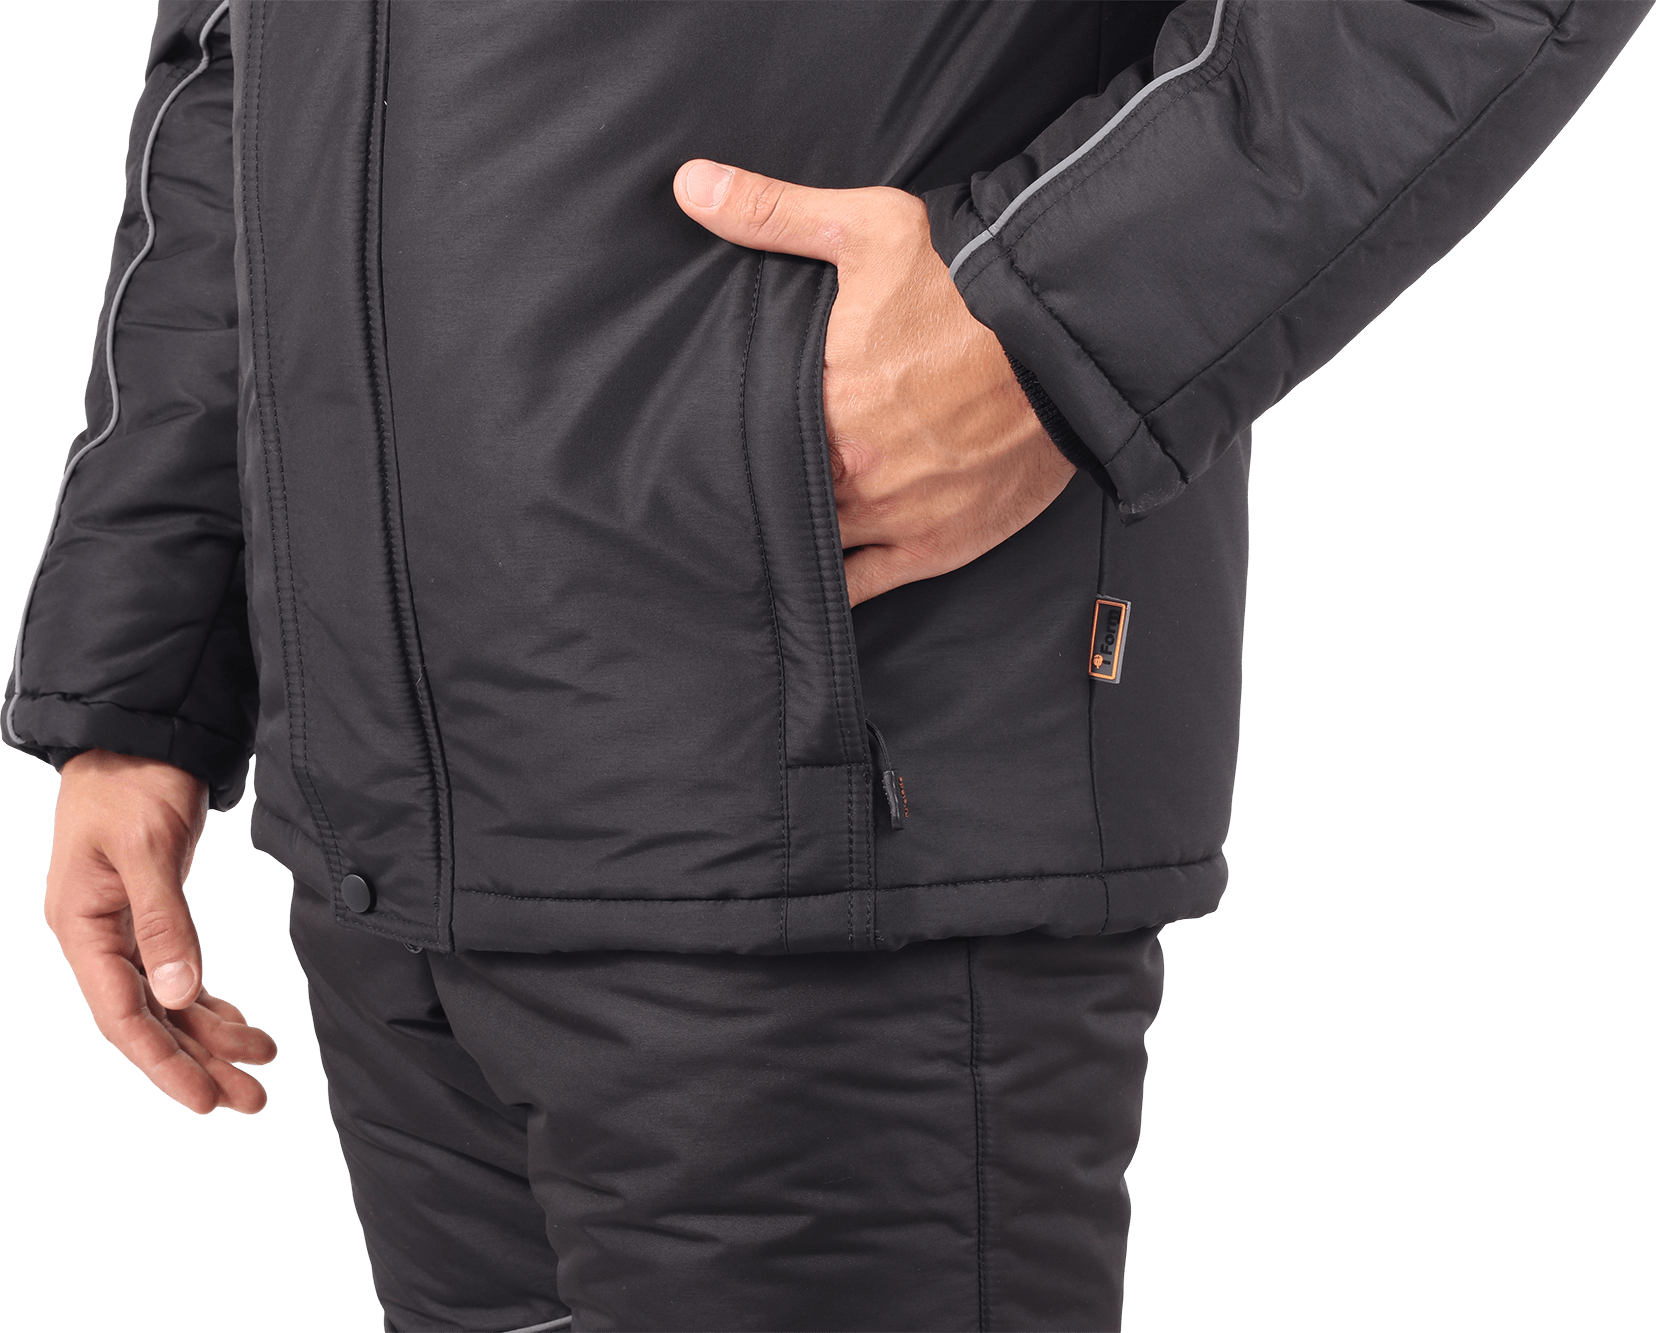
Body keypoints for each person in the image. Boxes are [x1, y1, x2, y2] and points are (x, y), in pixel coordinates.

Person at [9, 3, 1646, 1330]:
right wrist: (144, 679)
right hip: (384, 885)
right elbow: (233, 66)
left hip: (826, 829)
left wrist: (1045, 333)